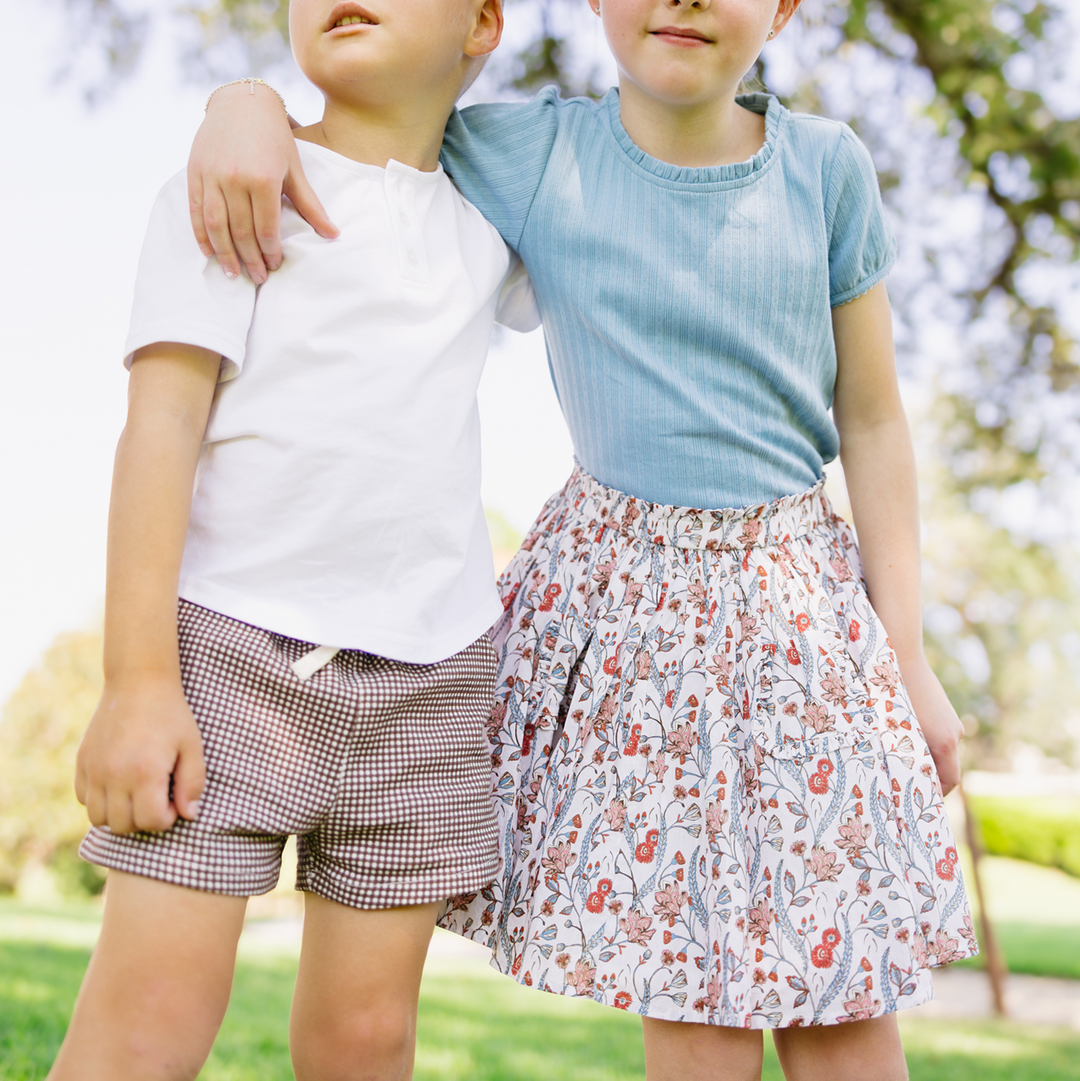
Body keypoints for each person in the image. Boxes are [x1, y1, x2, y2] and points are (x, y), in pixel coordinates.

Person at [186, 1, 977, 1078]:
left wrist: (909, 656)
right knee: (693, 998)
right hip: (632, 621)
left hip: (799, 616)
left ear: (786, 7)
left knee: (841, 995)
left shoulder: (825, 167)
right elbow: (370, 114)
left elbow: (874, 420)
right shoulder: (533, 153)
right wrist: (242, 102)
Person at [51, 2, 539, 1079]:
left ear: (482, 24)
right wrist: (137, 682)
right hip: (227, 662)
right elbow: (159, 429)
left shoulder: (502, 214)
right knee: (149, 1024)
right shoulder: (234, 184)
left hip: (431, 682)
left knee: (368, 1040)